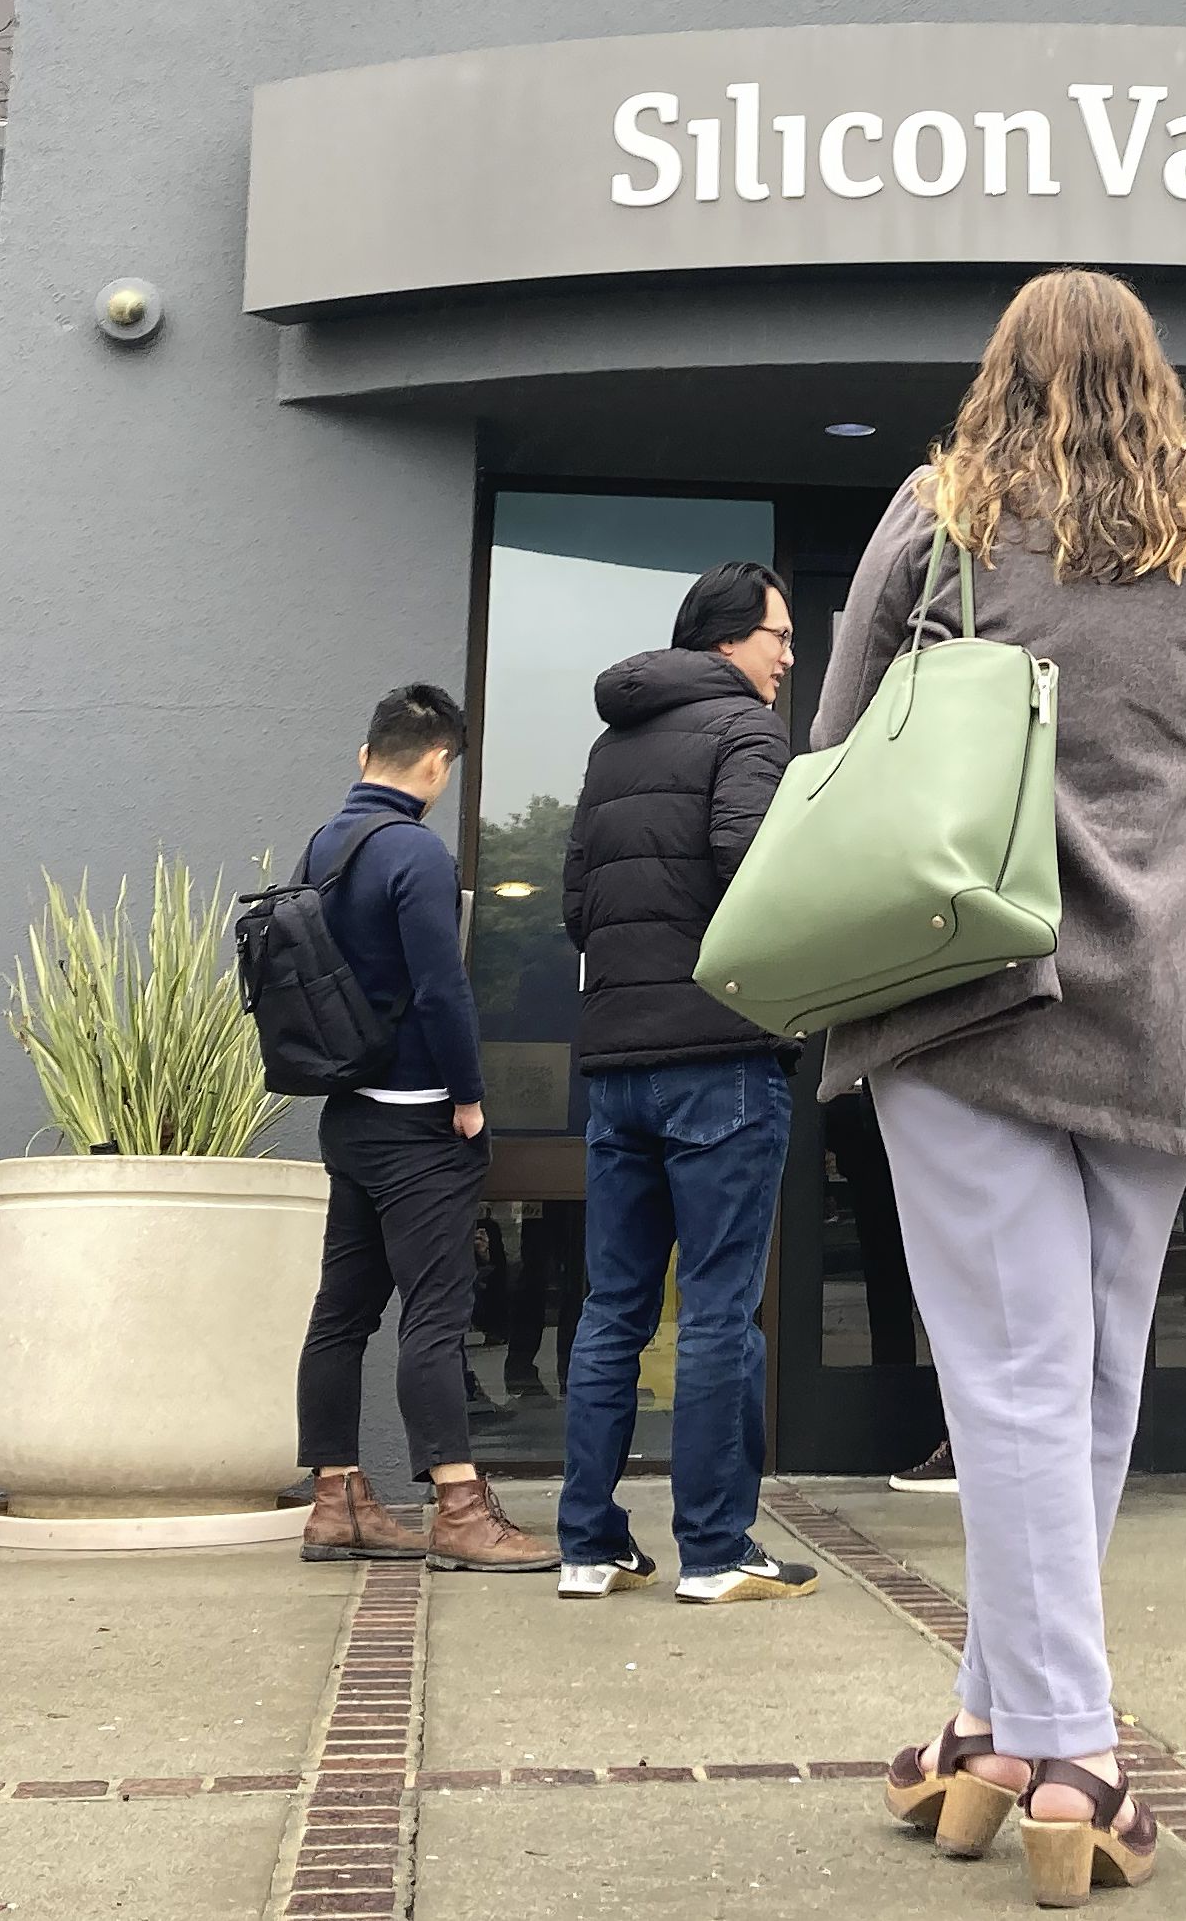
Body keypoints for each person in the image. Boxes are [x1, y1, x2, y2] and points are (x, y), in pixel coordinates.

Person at [837, 270, 1186, 1906]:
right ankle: (992, 1723)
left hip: (959, 993)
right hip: (1163, 1003)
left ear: (1001, 376)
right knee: (1087, 1378)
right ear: (1151, 378)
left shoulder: (937, 519)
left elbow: (840, 740)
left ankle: (1064, 1751)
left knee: (1015, 1376)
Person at [551, 557, 821, 1607]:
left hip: (617, 1066)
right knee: (716, 1311)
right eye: (779, 638)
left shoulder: (613, 745)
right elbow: (753, 864)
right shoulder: (745, 732)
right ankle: (713, 1551)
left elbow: (577, 906)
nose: (788, 658)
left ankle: (587, 1544)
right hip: (720, 1058)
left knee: (612, 1308)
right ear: (724, 641)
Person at [293, 682, 560, 1572]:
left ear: (365, 754)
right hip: (416, 1123)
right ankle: (457, 1504)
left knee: (340, 1314)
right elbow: (444, 990)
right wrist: (471, 1098)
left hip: (348, 1117)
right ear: (440, 764)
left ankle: (336, 1500)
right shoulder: (416, 855)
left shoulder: (325, 846)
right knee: (435, 1317)